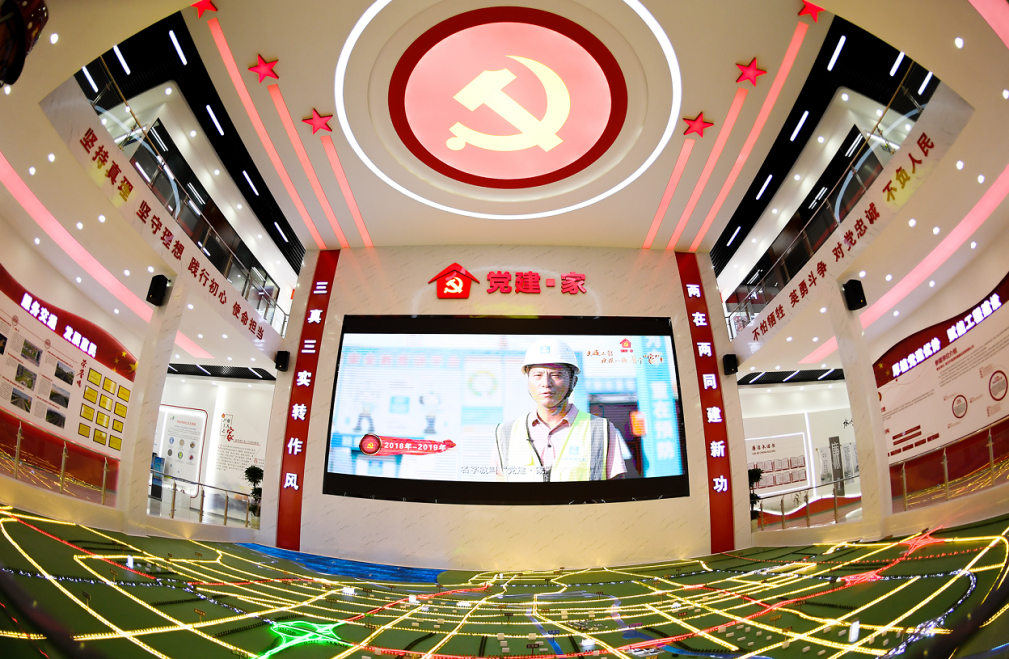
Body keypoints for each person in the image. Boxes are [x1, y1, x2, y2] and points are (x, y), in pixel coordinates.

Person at [495, 338, 632, 482]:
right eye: (538, 375)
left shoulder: (601, 430)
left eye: (556, 375)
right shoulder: (505, 433)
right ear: (528, 381)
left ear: (573, 381)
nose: (546, 383)